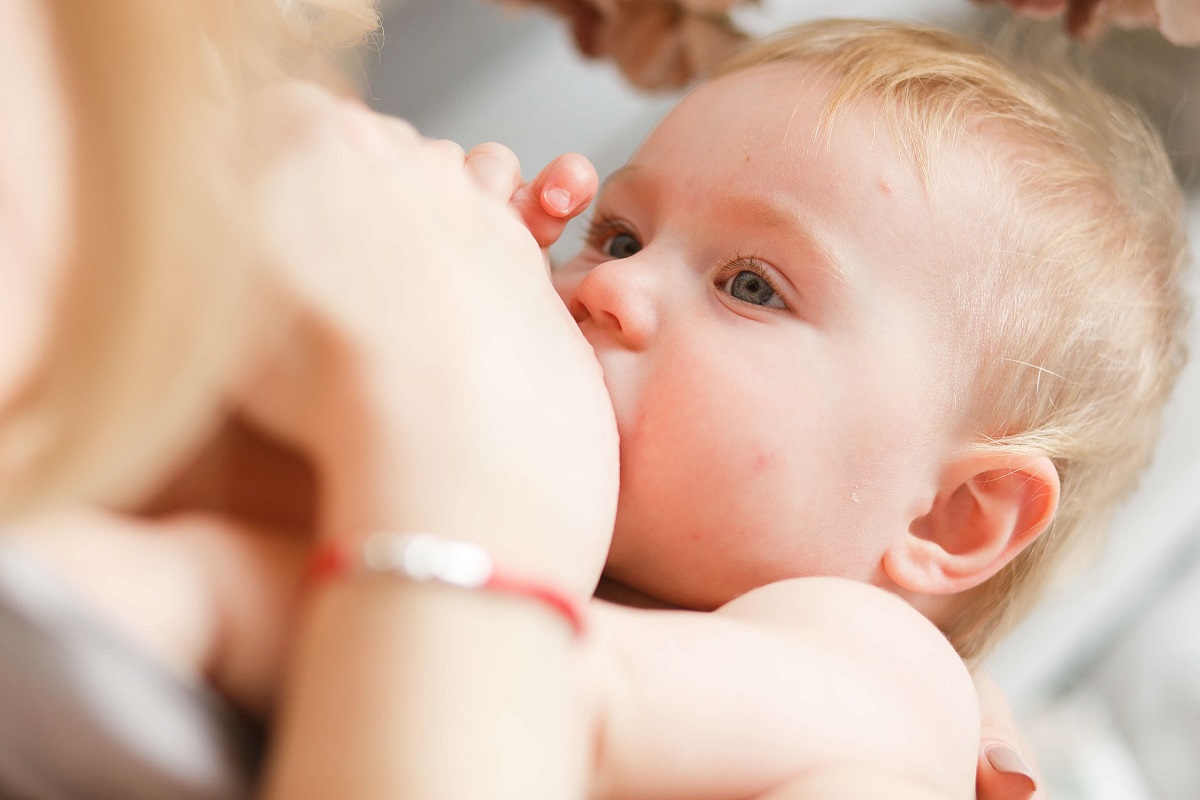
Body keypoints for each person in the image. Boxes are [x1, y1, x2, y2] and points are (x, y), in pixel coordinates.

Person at [0, 4, 1160, 800]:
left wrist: (199, 589)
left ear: (953, 519)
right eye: (621, 230)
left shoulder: (883, 669)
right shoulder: (586, 542)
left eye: (752, 284)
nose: (607, 285)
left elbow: (566, 692)